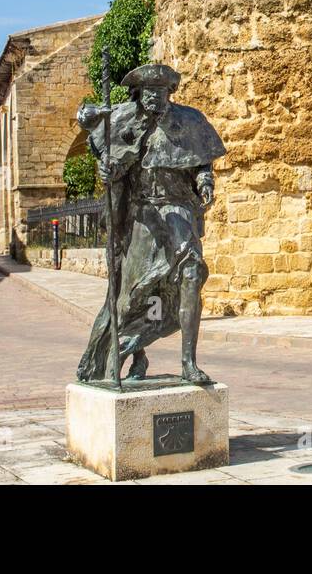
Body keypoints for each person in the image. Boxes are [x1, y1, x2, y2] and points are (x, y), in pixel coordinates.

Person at [75, 63, 225, 385]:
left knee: (191, 272)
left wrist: (206, 183)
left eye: (159, 93)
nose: (153, 99)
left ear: (169, 93)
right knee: (134, 297)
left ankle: (189, 363)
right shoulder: (125, 119)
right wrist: (107, 170)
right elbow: (102, 145)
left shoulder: (189, 121)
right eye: (147, 93)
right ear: (139, 94)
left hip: (179, 209)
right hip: (142, 215)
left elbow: (201, 164)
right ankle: (132, 352)